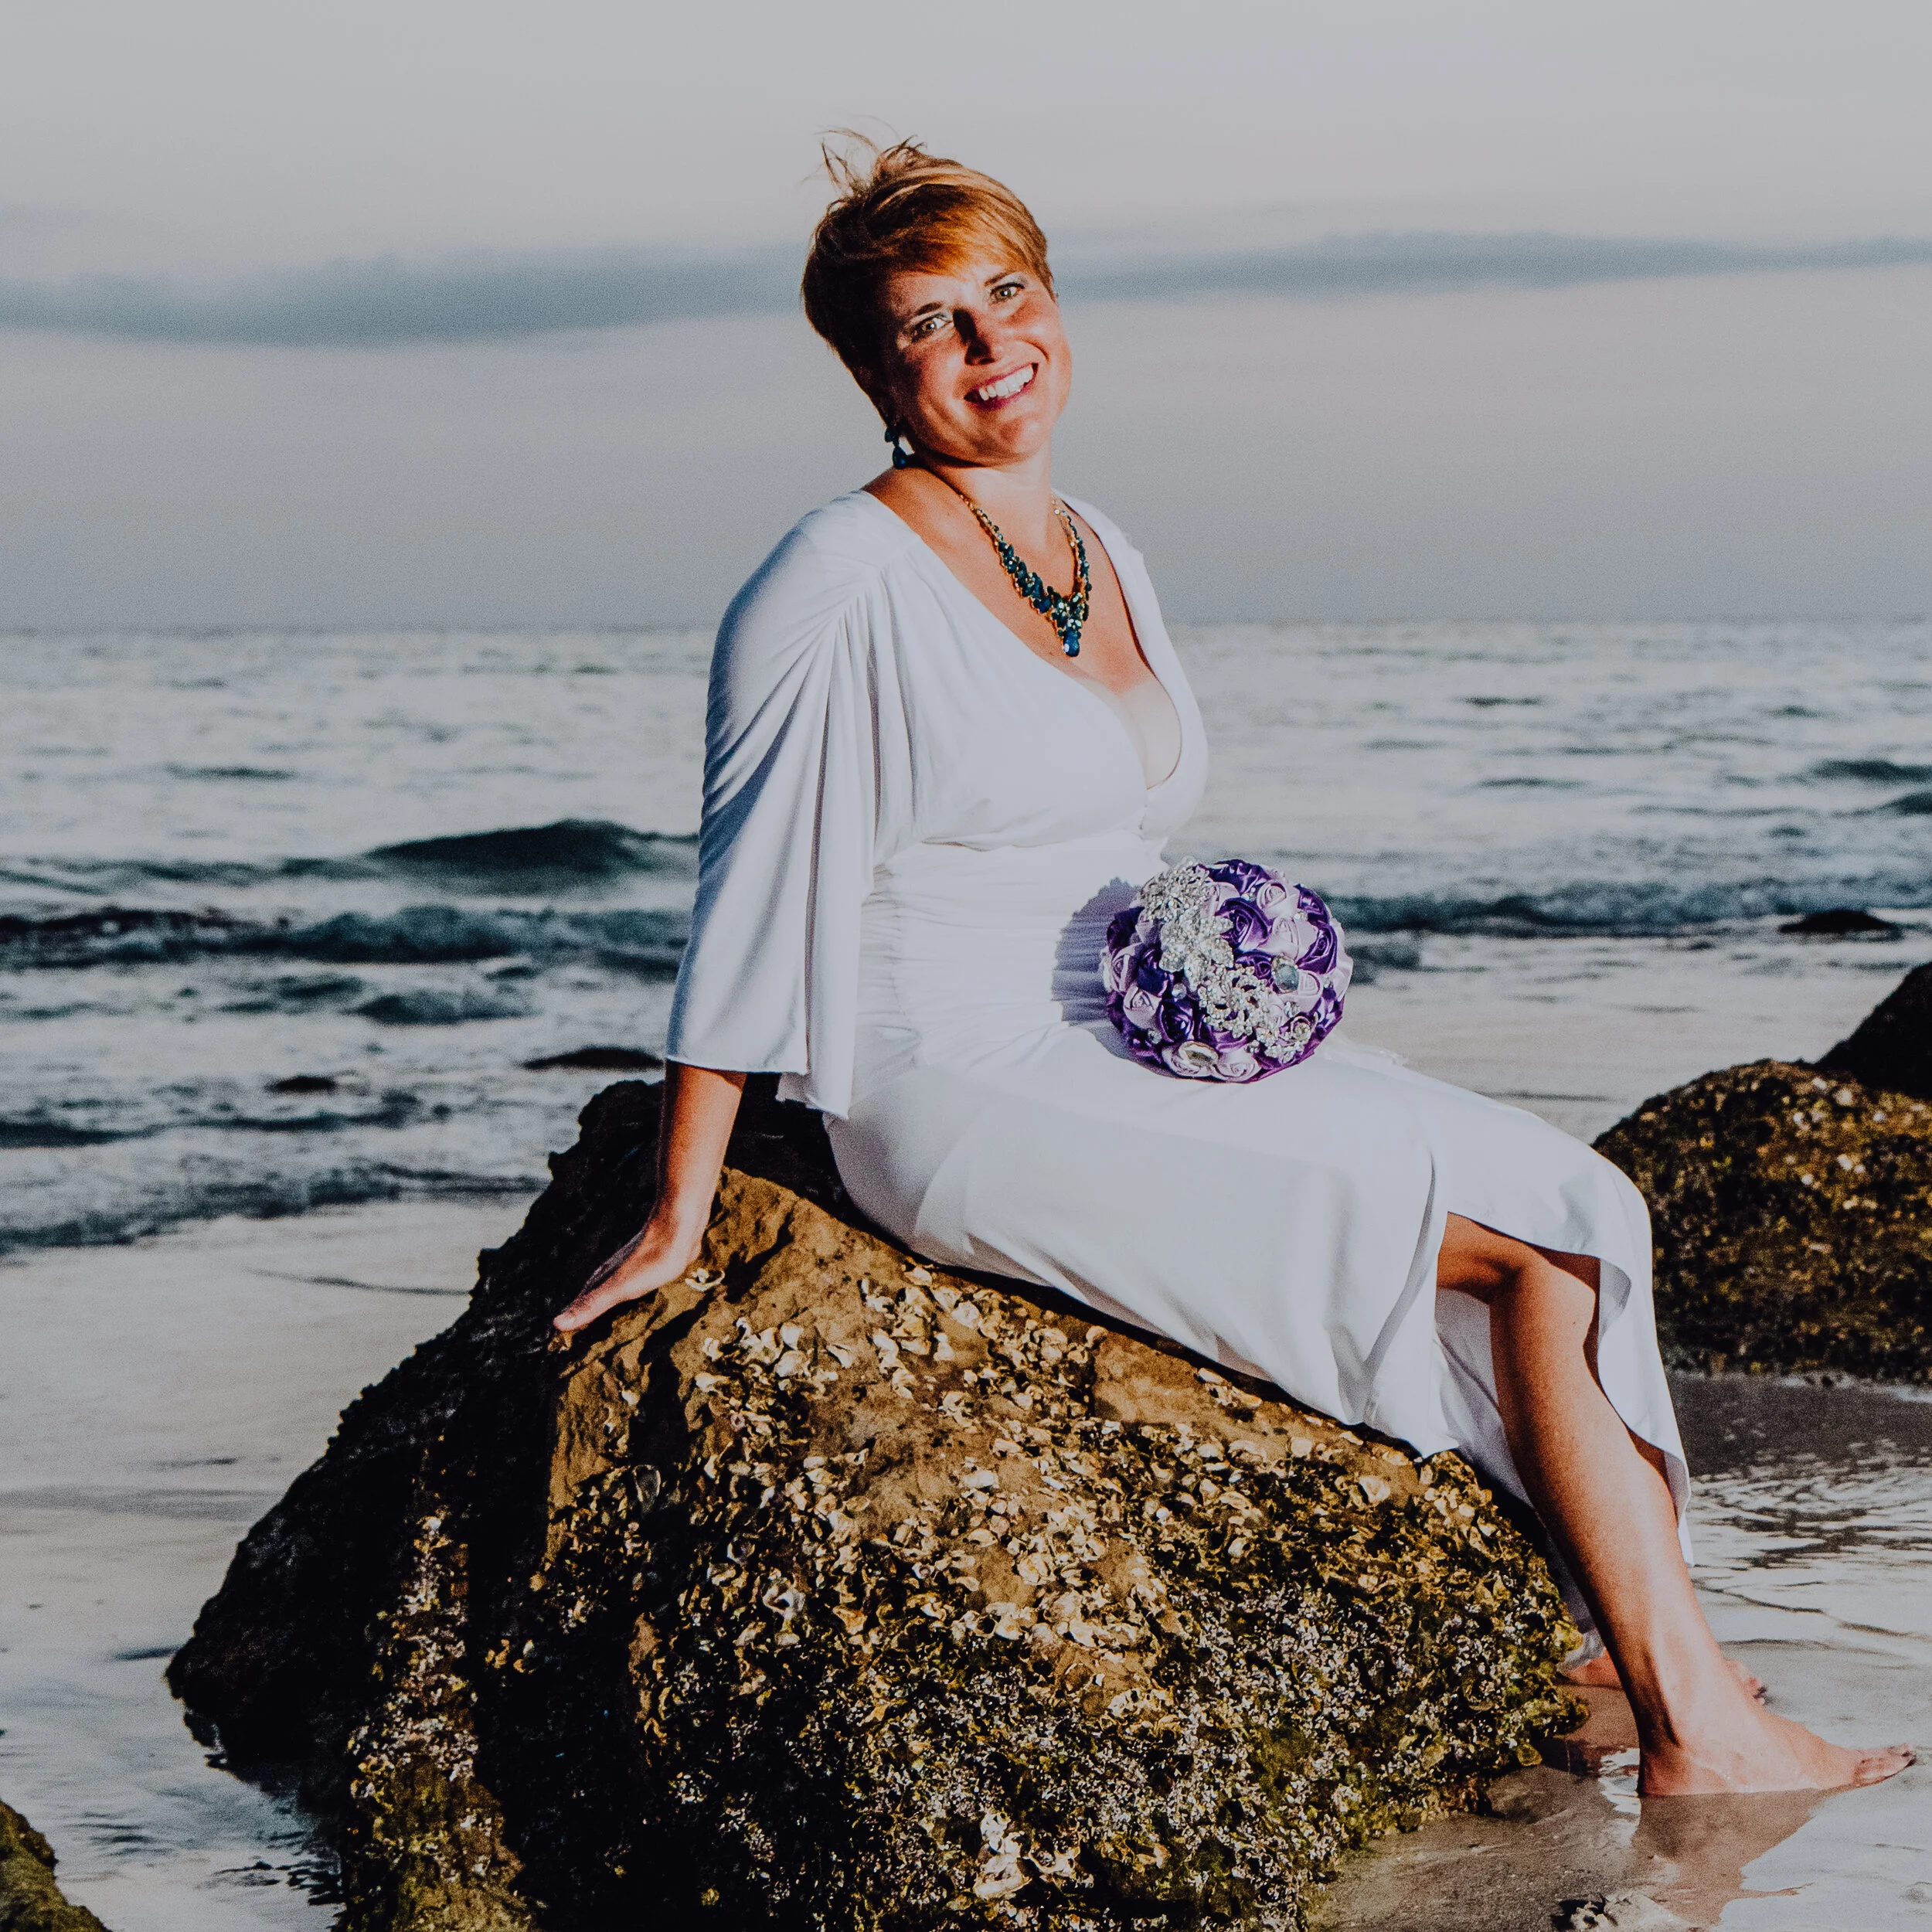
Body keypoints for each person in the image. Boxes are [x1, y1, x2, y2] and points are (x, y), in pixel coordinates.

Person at [556, 138, 1911, 1798]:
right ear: (872, 370)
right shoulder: (832, 577)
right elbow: (751, 886)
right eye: (932, 325)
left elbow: (1110, 832)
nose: (993, 349)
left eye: (1009, 297)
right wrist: (685, 1201)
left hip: (1117, 1032)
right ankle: (1699, 1715)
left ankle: (1609, 1662)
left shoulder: (1099, 541)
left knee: (1585, 1202)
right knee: (1513, 1254)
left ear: (1052, 304)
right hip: (961, 1076)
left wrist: (1225, 979)